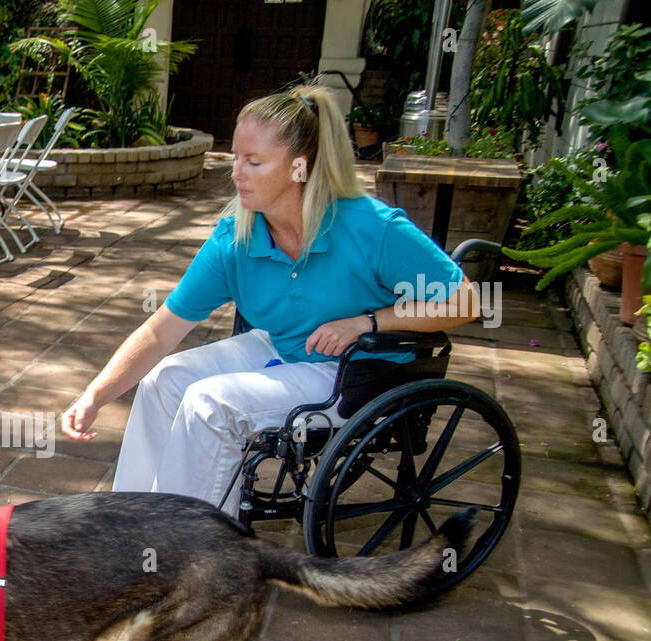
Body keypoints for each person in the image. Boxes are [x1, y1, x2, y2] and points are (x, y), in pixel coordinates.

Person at [60, 83, 482, 517]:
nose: (236, 172)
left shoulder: (371, 229)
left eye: (254, 162)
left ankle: (187, 550)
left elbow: (465, 302)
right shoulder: (236, 239)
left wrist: (367, 322)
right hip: (280, 346)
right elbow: (161, 329)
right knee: (164, 381)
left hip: (353, 369)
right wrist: (94, 395)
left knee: (211, 405)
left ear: (300, 167)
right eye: (236, 158)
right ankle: (131, 524)